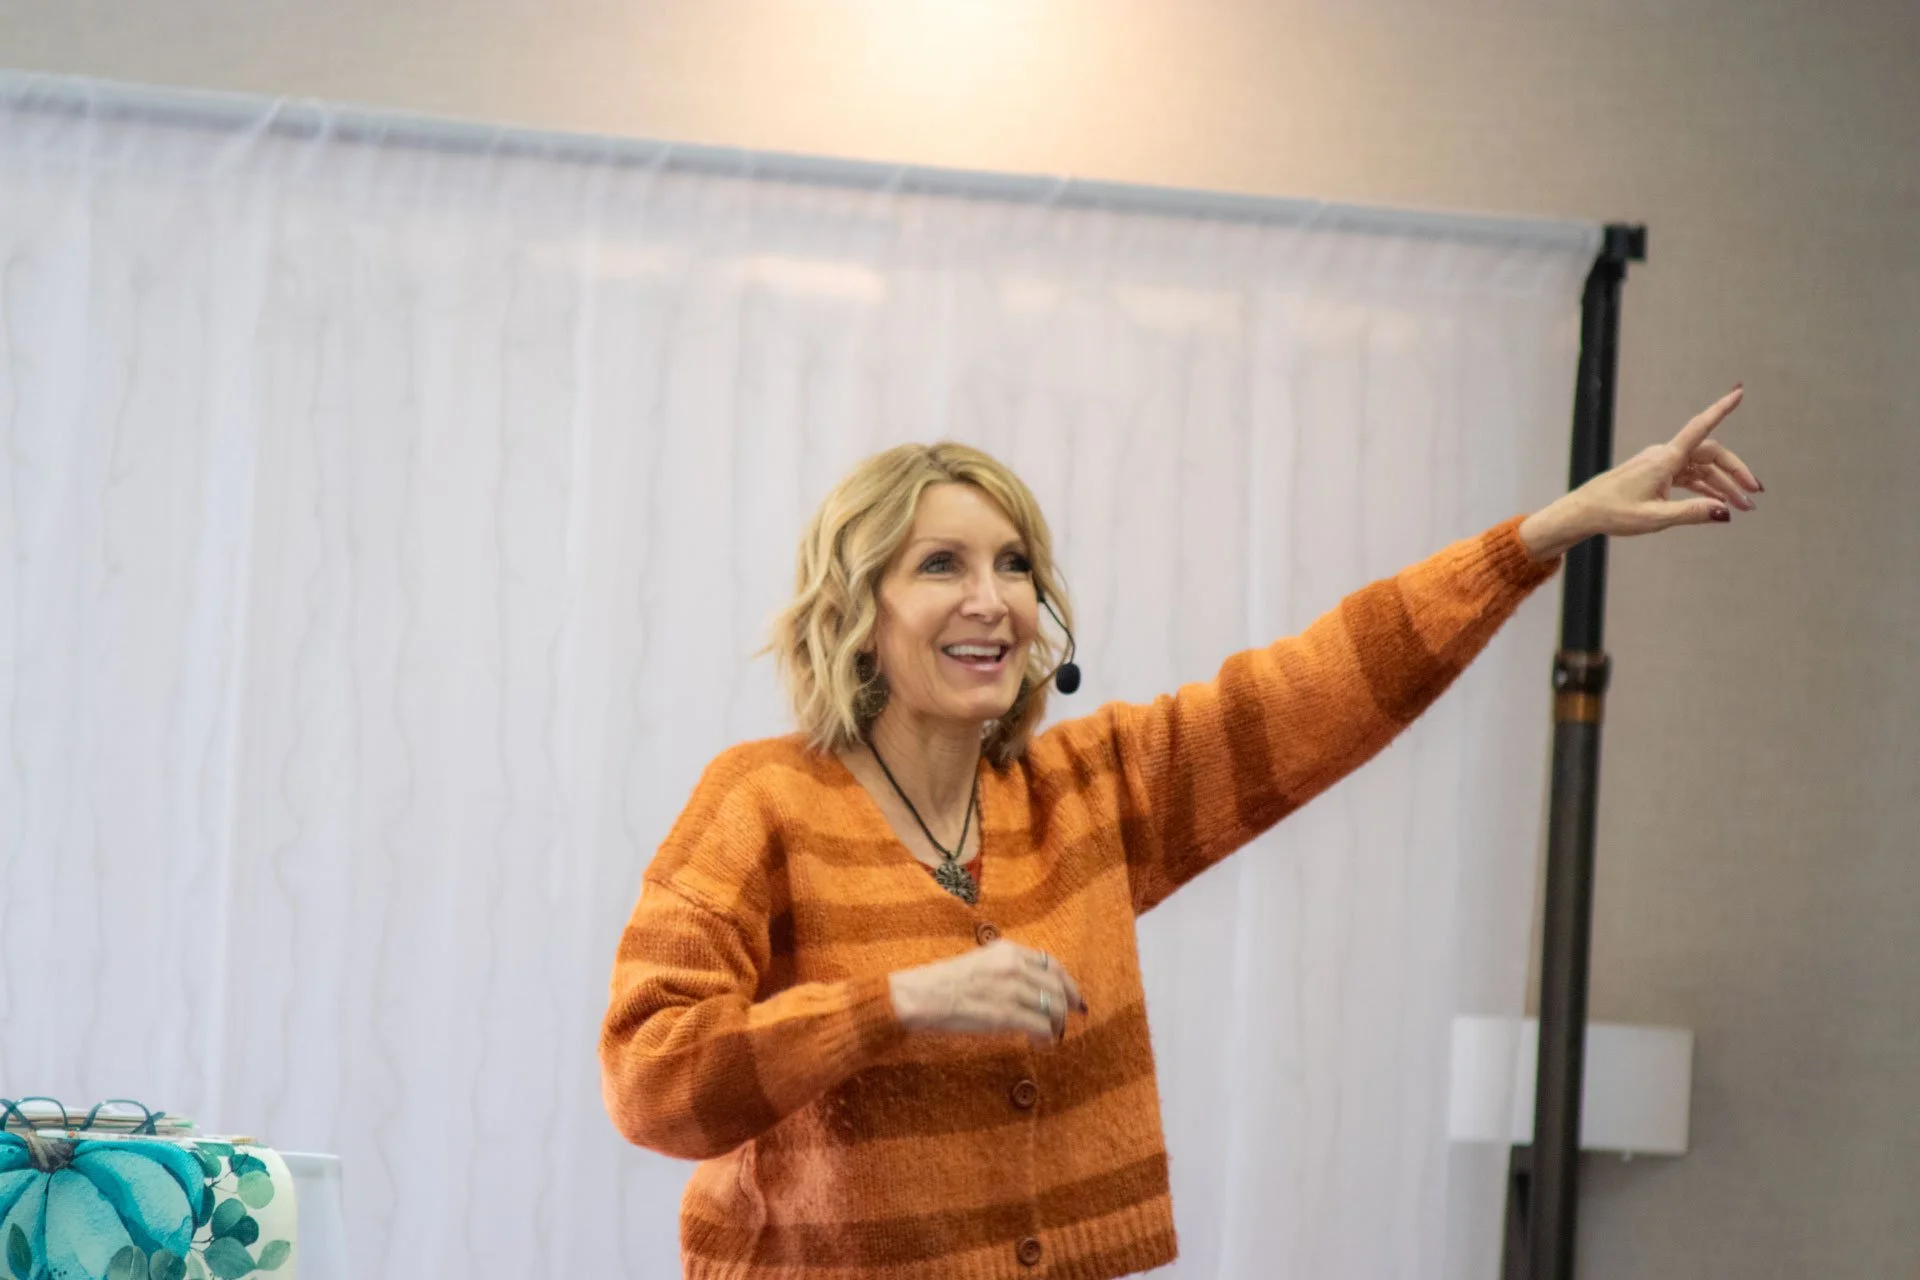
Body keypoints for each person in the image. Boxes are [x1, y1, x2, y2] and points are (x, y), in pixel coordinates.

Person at [599, 388, 1760, 1279]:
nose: (991, 598)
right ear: (856, 613)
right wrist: (896, 1003)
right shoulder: (762, 801)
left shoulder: (1086, 790)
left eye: (1014, 564)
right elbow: (652, 1078)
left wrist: (1542, 536)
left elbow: (1320, 685)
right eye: (939, 563)